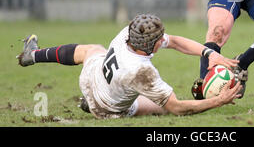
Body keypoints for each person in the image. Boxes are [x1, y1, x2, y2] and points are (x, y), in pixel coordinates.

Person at [17, 13, 241, 118]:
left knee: (91, 50)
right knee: (164, 107)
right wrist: (217, 100)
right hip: (107, 109)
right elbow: (178, 107)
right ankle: (92, 105)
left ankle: (33, 55)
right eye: (159, 39)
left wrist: (209, 52)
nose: (163, 39)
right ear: (150, 45)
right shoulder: (143, 72)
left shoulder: (128, 34)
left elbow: (175, 42)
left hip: (91, 77)